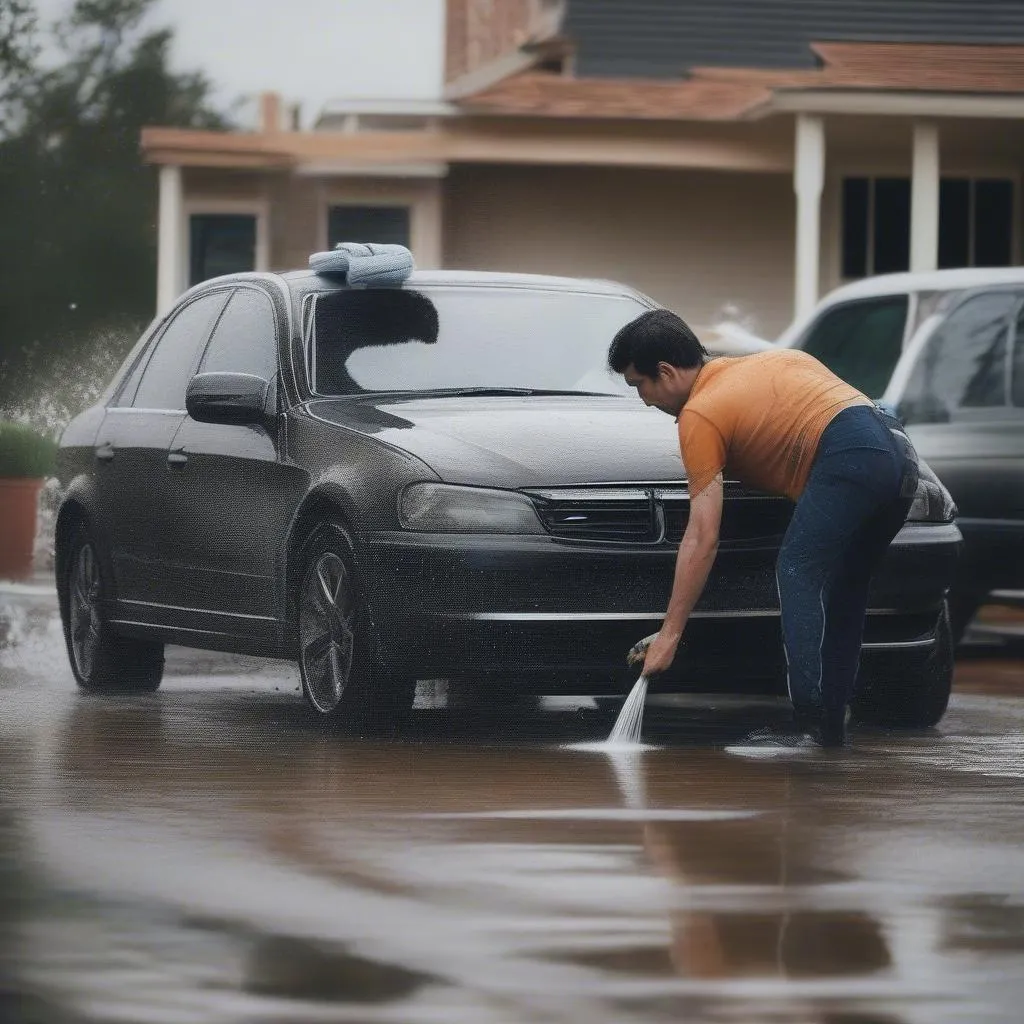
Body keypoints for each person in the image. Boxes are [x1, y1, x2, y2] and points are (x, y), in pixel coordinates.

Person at [608, 309, 919, 747]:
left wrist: (670, 634)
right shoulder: (771, 361)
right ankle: (831, 725)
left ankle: (810, 719)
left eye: (640, 385)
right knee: (845, 586)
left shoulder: (700, 414)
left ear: (666, 372)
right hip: (899, 453)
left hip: (852, 454)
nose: (643, 399)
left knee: (797, 569)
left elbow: (702, 535)